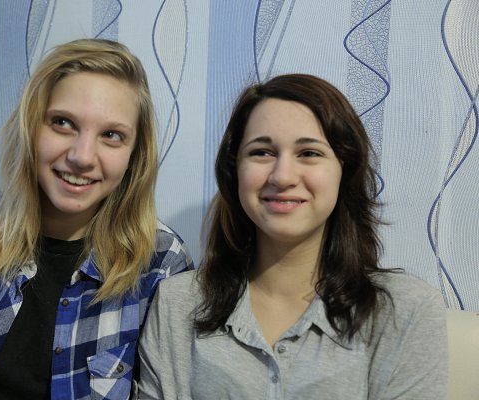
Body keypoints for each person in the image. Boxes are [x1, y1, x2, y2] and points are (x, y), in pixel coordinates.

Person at [0, 38, 192, 400]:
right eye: (62, 123)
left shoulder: (162, 263)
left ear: (134, 155)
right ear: (31, 128)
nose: (82, 156)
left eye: (111, 135)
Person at [138, 74, 448, 399]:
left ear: (344, 170)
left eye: (309, 153)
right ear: (235, 171)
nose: (283, 176)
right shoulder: (177, 304)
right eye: (262, 152)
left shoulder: (406, 311)